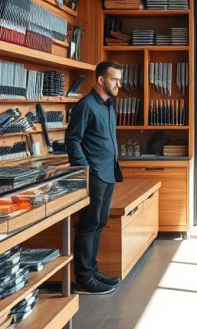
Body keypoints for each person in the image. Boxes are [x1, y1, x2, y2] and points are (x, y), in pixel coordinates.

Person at [66, 60, 124, 294]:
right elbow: (73, 139)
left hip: (109, 172)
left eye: (119, 79)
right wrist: (85, 169)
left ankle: (92, 270)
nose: (118, 83)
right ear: (101, 79)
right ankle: (83, 278)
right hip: (94, 174)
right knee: (89, 225)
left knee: (99, 223)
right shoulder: (86, 105)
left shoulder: (109, 105)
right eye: (114, 79)